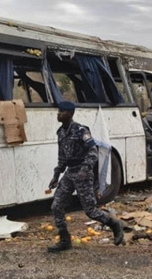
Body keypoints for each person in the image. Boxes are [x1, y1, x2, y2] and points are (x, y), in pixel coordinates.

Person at [47, 101, 124, 253]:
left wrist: (85, 168)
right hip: (70, 172)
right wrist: (56, 175)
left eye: (61, 112)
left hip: (84, 173)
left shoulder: (81, 130)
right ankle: (64, 240)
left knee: (90, 211)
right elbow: (62, 157)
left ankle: (115, 224)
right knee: (56, 206)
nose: (58, 114)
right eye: (58, 111)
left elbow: (93, 152)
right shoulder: (60, 133)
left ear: (69, 114)